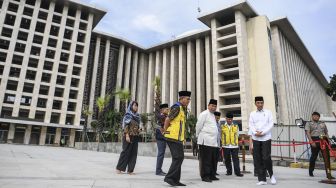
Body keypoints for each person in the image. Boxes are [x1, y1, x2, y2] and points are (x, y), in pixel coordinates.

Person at [163, 91, 191, 186]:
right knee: (178, 157)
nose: (188, 101)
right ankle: (169, 177)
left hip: (177, 138)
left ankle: (175, 180)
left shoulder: (182, 109)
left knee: (179, 157)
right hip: (172, 137)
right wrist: (164, 130)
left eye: (189, 99)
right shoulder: (177, 107)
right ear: (181, 98)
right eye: (187, 99)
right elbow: (167, 119)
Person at [249, 96, 276, 185]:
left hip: (266, 138)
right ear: (255, 103)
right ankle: (262, 179)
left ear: (263, 103)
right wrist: (254, 132)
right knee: (258, 159)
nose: (260, 104)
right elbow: (251, 125)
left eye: (261, 102)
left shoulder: (268, 112)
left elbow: (271, 124)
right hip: (256, 138)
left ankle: (271, 175)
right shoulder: (252, 114)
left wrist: (263, 132)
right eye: (258, 103)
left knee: (266, 157)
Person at [305, 112, 335, 179]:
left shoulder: (322, 123)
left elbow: (326, 132)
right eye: (314, 116)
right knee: (314, 157)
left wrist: (328, 140)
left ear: (319, 117)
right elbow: (308, 133)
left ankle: (328, 174)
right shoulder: (309, 123)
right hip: (315, 140)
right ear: (312, 116)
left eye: (317, 116)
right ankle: (311, 171)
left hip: (323, 140)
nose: (316, 117)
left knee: (326, 158)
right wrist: (311, 141)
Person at [196, 99, 219, 182]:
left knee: (213, 159)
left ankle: (212, 175)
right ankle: (205, 176)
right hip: (205, 140)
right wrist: (197, 135)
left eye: (215, 106)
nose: (213, 107)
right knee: (206, 160)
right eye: (212, 106)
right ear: (208, 105)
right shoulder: (204, 114)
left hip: (213, 141)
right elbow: (198, 126)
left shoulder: (213, 115)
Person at [116, 101, 141, 175]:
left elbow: (136, 127)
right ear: (131, 106)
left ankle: (130, 170)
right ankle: (119, 168)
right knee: (125, 152)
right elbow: (126, 126)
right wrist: (127, 135)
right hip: (128, 136)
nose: (136, 107)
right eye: (134, 105)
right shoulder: (128, 115)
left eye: (137, 106)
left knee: (134, 153)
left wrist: (139, 130)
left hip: (135, 136)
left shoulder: (137, 116)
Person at [222, 113, 244, 177]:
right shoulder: (222, 126)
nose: (229, 120)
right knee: (227, 159)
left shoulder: (236, 125)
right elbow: (220, 135)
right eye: (228, 119)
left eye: (231, 119)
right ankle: (229, 171)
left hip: (234, 145)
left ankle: (237, 172)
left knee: (236, 159)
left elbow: (237, 135)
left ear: (232, 119)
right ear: (226, 119)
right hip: (225, 145)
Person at [155, 103, 169, 176]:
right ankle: (158, 171)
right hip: (161, 138)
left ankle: (159, 170)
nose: (168, 110)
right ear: (162, 110)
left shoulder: (165, 116)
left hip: (164, 137)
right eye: (167, 109)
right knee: (161, 154)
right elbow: (160, 128)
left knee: (161, 153)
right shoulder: (160, 116)